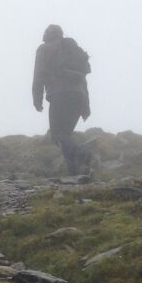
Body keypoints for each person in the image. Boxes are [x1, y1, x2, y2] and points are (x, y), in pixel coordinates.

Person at [32, 24, 92, 175]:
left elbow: (38, 75)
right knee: (65, 135)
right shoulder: (73, 50)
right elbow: (83, 78)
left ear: (47, 34)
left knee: (58, 135)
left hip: (60, 95)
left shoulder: (44, 49)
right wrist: (86, 105)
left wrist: (37, 99)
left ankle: (82, 155)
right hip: (79, 96)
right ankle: (75, 172)